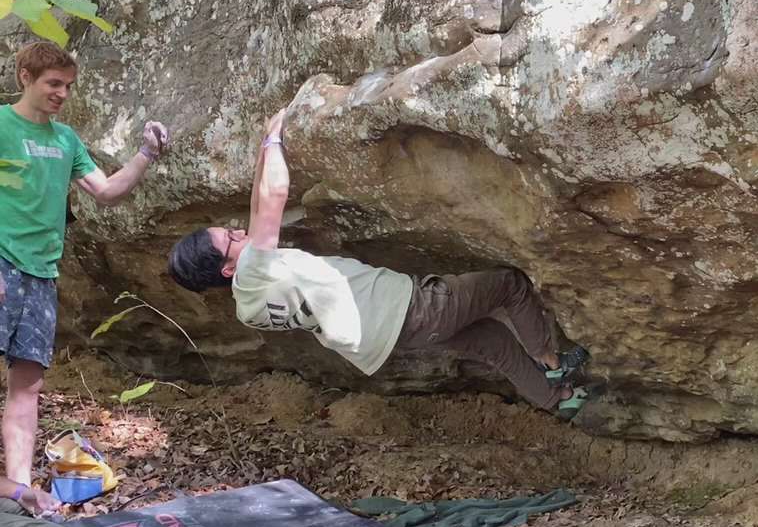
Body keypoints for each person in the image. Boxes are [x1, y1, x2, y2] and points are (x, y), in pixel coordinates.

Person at [166, 109, 591, 419]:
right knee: (509, 284)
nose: (241, 232)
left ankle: (561, 401)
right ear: (226, 268)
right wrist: (272, 139)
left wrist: (261, 154)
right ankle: (551, 362)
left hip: (392, 340)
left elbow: (258, 208)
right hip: (412, 309)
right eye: (232, 239)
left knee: (494, 343)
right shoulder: (255, 269)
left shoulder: (248, 305)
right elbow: (272, 197)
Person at [1, 41, 171, 487]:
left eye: (68, 86)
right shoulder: (1, 124)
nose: (62, 93)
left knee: (29, 384)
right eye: (53, 83)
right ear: (25, 77)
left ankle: (17, 492)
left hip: (42, 273)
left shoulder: (65, 139)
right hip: (2, 263)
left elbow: (108, 192)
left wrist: (145, 154)